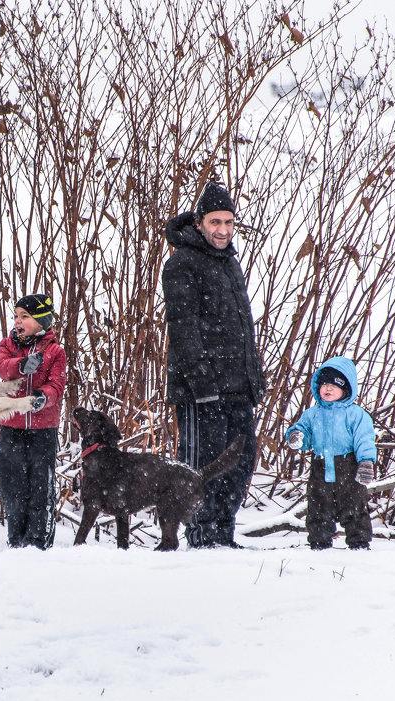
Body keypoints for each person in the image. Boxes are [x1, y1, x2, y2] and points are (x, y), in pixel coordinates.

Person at [161, 183, 265, 548]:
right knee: (201, 468)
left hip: (239, 388)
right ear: (200, 222)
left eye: (229, 222)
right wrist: (204, 384)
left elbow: (242, 327)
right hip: (200, 391)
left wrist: (255, 377)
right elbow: (184, 328)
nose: (223, 229)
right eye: (215, 221)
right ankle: (200, 536)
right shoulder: (181, 263)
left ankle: (223, 534)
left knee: (239, 465)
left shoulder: (230, 263)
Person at [0, 293, 68, 549]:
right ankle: (16, 541)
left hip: (43, 430)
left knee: (40, 485)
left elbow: (57, 385)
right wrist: (22, 364)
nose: (17, 321)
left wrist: (42, 397)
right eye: (16, 316)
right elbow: (2, 368)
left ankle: (38, 543)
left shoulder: (55, 351)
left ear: (41, 320)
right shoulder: (8, 345)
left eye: (25, 316)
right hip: (11, 426)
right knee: (11, 483)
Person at [285, 356, 377, 550]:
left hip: (349, 468)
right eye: (324, 383)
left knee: (354, 508)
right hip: (320, 467)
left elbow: (364, 440)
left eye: (334, 385)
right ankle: (319, 543)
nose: (327, 388)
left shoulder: (356, 415)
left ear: (346, 388)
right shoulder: (312, 414)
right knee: (318, 508)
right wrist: (296, 437)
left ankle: (359, 543)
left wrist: (366, 462)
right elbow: (303, 433)